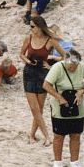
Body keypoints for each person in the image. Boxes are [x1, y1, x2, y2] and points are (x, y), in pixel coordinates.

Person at [19, 16, 67, 146]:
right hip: (29, 73)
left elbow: (65, 56)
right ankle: (47, 136)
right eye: (30, 26)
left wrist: (51, 66)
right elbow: (21, 54)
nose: (31, 29)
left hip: (43, 74)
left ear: (40, 27)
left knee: (39, 108)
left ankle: (32, 135)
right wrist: (27, 61)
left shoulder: (50, 40)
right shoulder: (28, 38)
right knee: (34, 108)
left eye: (33, 26)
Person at [42, 48, 84, 167]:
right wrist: (59, 98)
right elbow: (46, 85)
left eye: (75, 66)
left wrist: (81, 91)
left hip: (77, 105)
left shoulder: (82, 66)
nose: (73, 68)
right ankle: (58, 163)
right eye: (70, 66)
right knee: (59, 136)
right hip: (59, 105)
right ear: (65, 62)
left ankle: (75, 162)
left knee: (76, 135)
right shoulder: (57, 67)